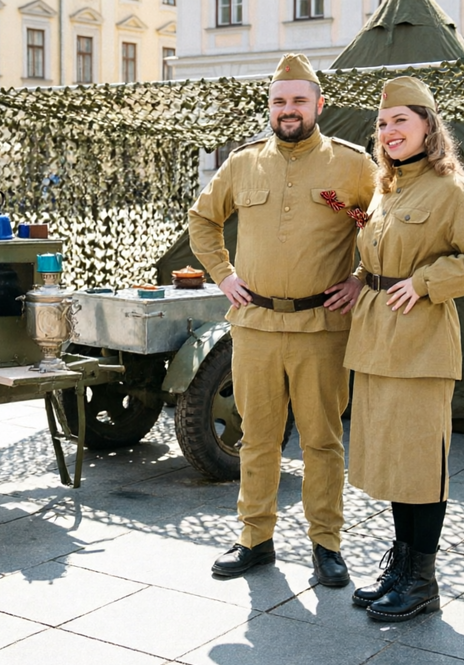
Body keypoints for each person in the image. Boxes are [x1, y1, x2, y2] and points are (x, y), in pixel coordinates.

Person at [189, 53, 376, 587]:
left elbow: (380, 226)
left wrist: (362, 277)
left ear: (319, 104)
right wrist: (223, 275)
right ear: (269, 106)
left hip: (322, 328)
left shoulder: (353, 165)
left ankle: (326, 545)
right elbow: (204, 219)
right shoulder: (244, 163)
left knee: (321, 441)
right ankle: (254, 538)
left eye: (298, 100)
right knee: (257, 439)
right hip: (255, 327)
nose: (288, 110)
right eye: (279, 101)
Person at [342, 77, 464, 622]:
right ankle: (400, 569)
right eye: (383, 123)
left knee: (420, 467)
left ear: (428, 127)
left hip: (420, 346)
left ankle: (422, 581)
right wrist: (358, 278)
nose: (389, 132)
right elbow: (379, 252)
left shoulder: (450, 189)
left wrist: (427, 282)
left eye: (401, 121)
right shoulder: (386, 188)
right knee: (396, 464)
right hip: (375, 341)